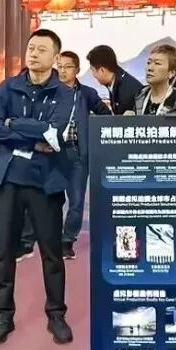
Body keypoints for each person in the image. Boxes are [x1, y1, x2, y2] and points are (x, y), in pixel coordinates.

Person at [0, 29, 75, 345]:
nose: (33, 53)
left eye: (41, 49)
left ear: (55, 57)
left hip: (45, 182)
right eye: (30, 48)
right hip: (7, 180)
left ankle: (56, 315)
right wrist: (33, 138)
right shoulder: (8, 87)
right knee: (4, 252)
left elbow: (55, 133)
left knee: (52, 253)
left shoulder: (64, 94)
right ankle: (3, 316)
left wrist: (14, 124)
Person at [18, 50, 110, 262]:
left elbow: (105, 115)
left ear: (77, 70)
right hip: (51, 153)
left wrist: (93, 137)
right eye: (59, 66)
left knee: (76, 201)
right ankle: (26, 241)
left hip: (77, 153)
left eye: (67, 67)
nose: (62, 71)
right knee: (40, 197)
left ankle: (67, 241)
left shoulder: (87, 94)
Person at [87, 44, 143, 115]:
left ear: (102, 70)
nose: (93, 75)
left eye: (93, 71)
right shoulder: (116, 82)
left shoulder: (127, 91)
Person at [131, 44, 176, 115]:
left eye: (157, 63)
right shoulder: (139, 96)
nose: (150, 68)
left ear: (171, 73)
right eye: (149, 63)